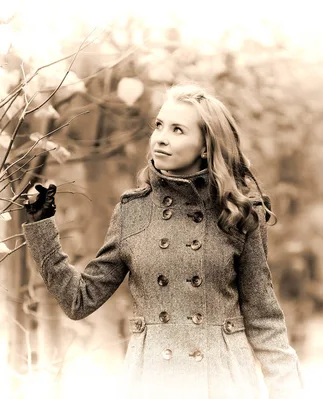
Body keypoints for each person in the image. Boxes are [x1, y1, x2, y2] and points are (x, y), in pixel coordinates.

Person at [22, 83, 304, 399]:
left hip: (224, 381)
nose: (161, 137)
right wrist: (41, 226)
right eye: (159, 125)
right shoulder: (133, 211)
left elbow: (264, 321)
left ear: (205, 147)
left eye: (178, 129)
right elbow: (79, 300)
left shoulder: (237, 213)